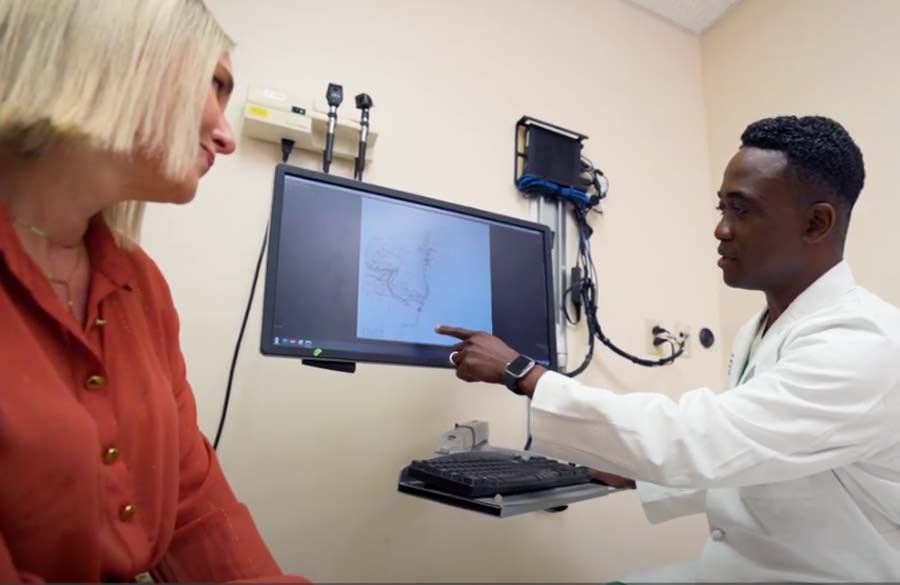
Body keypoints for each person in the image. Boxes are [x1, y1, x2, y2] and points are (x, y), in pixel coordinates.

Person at [438, 115, 900, 582]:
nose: (721, 230)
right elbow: (753, 457)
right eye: (721, 209)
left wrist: (522, 372)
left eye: (742, 210)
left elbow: (705, 440)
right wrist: (633, 474)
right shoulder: (760, 331)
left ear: (816, 223)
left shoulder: (863, 342)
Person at [0, 1, 306, 581]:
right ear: (110, 54)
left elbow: (193, 502)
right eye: (214, 85)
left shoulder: (139, 284)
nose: (225, 135)